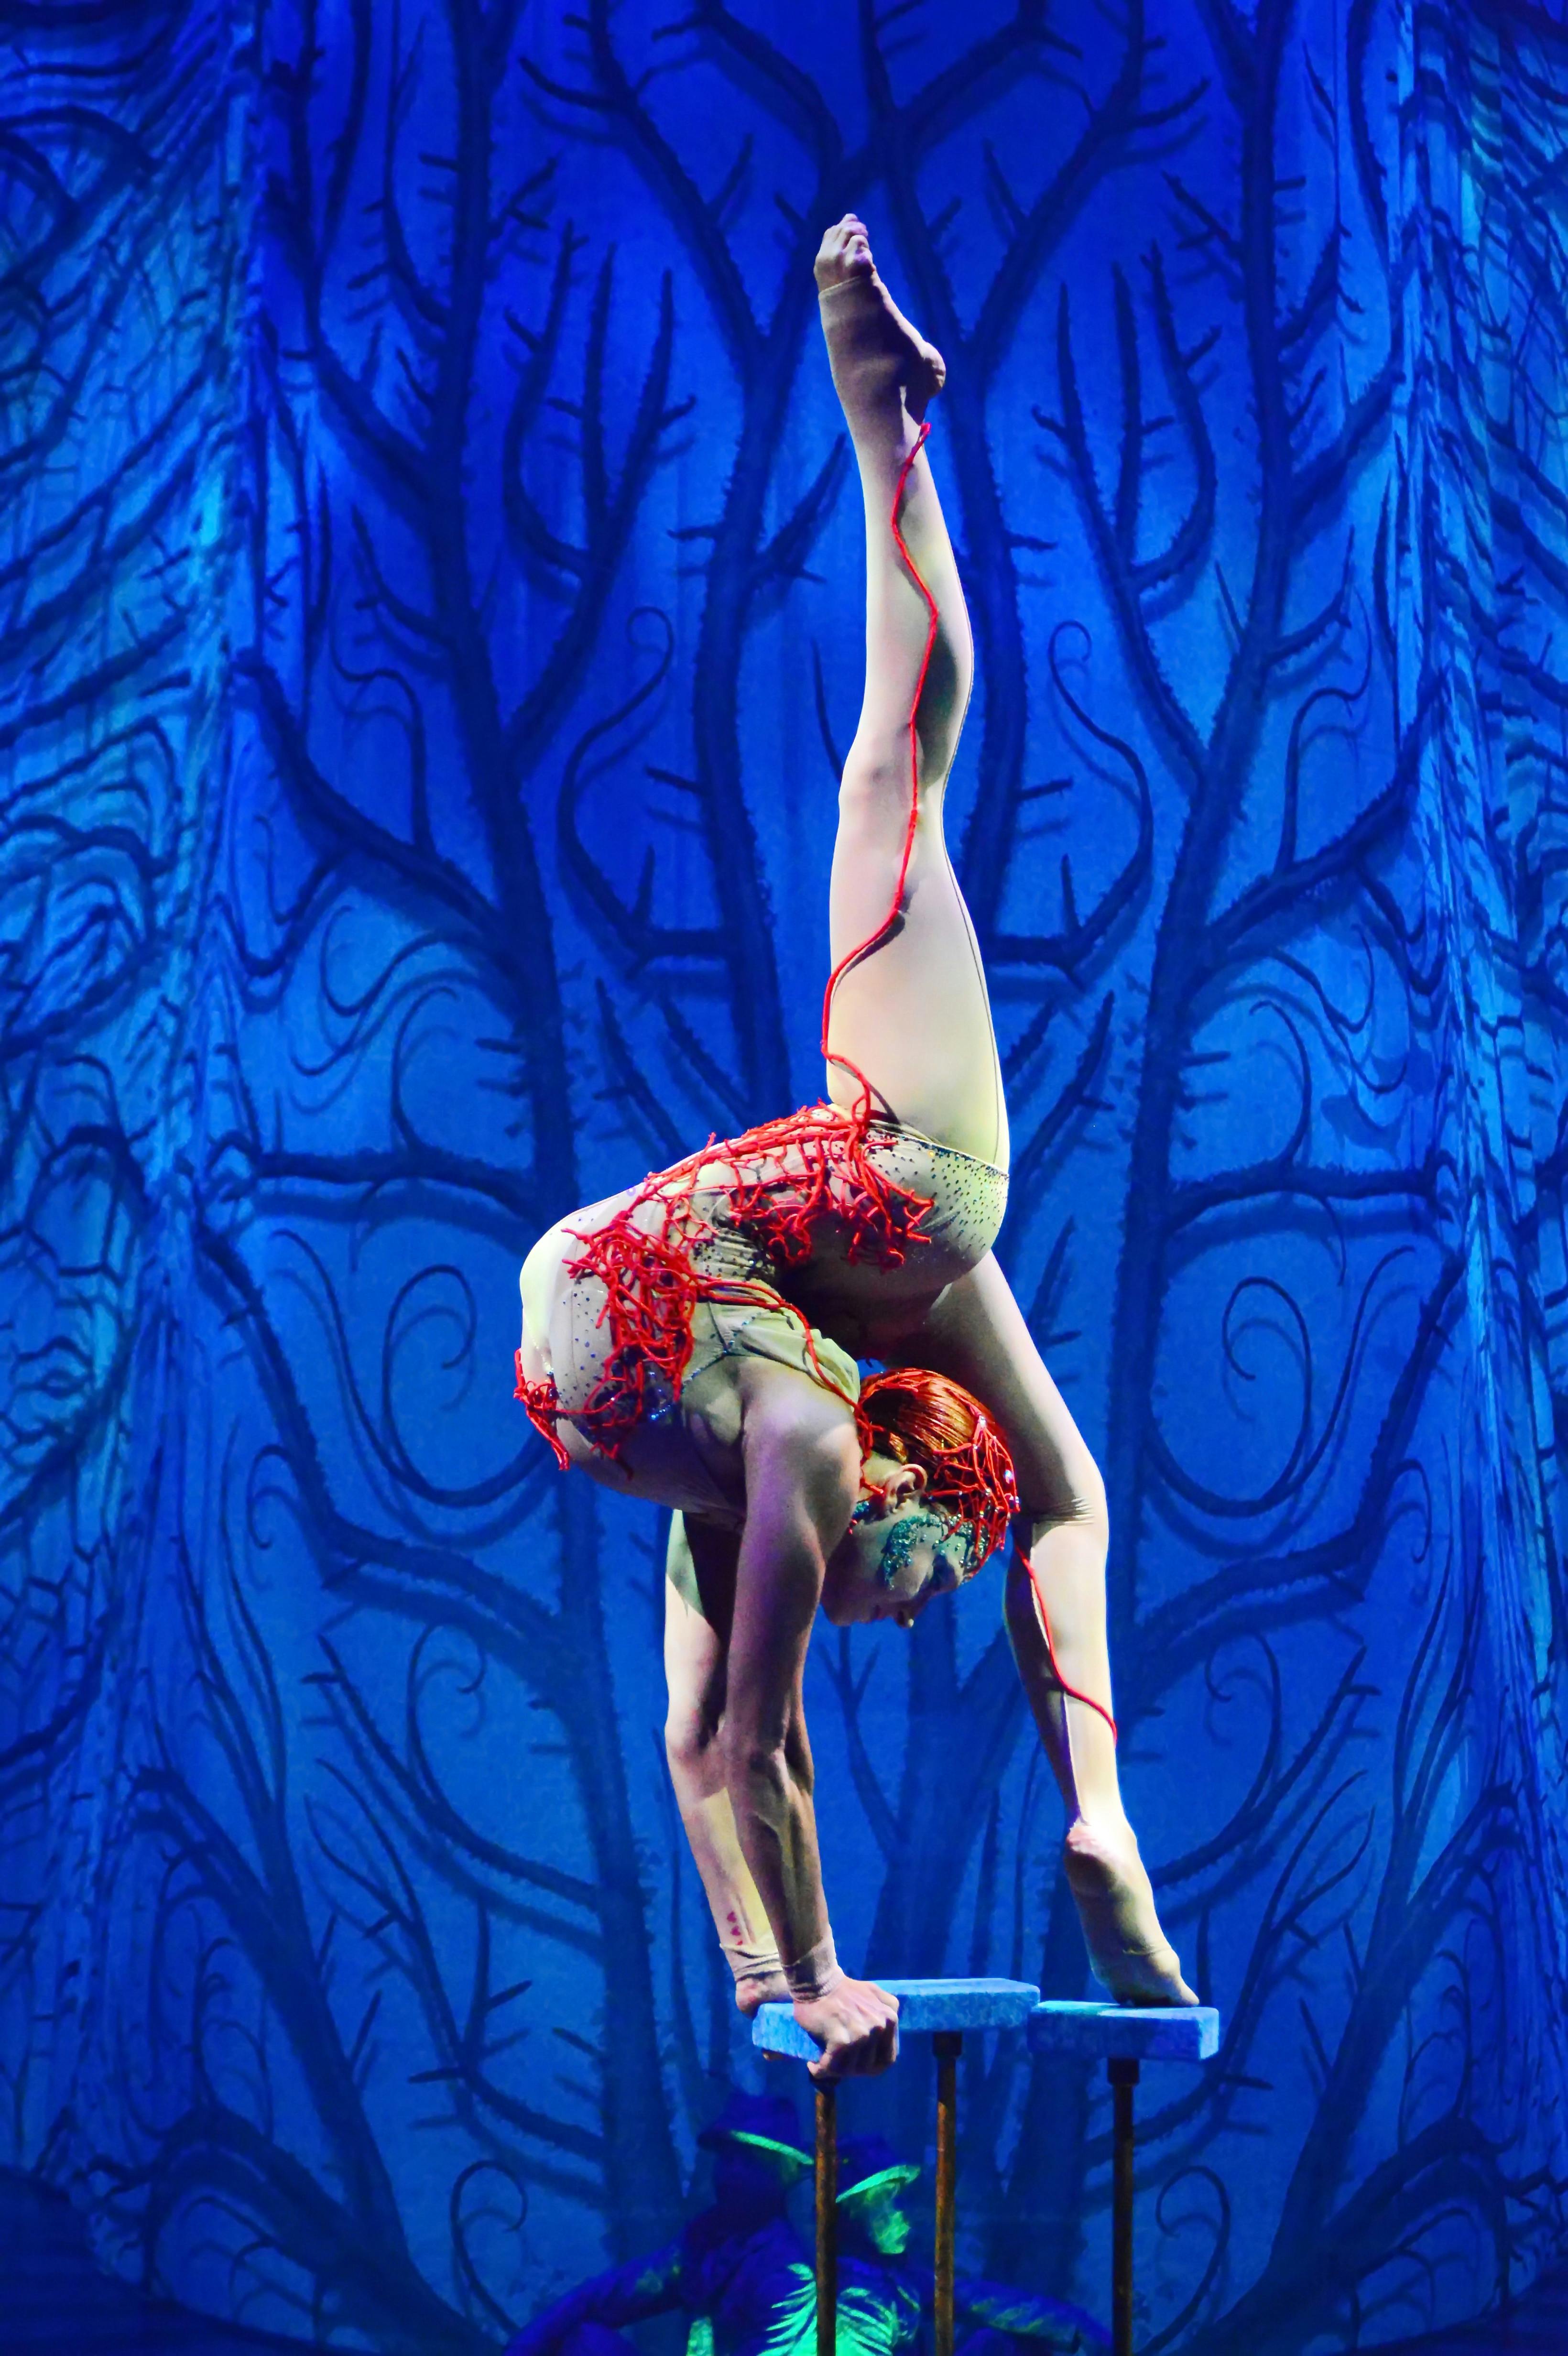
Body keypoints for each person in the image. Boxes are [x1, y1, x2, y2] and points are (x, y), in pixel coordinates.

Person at [517, 216, 1195, 2083]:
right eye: (929, 1579)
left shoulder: (760, 1436)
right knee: (896, 764)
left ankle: (1101, 1826)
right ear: (905, 1490)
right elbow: (758, 1740)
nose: (903, 1617)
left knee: (1062, 1486)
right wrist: (824, 1979)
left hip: (631, 1320)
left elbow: (704, 1737)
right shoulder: (812, 1445)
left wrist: (768, 1985)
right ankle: (880, 409)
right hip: (878, 1189)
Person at [503, 2091, 814, 2356]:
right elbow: (611, 2295)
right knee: (588, 2342)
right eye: (727, 2159)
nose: (730, 2175)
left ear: (781, 2176)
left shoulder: (788, 2278)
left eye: (748, 2162)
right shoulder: (707, 2244)